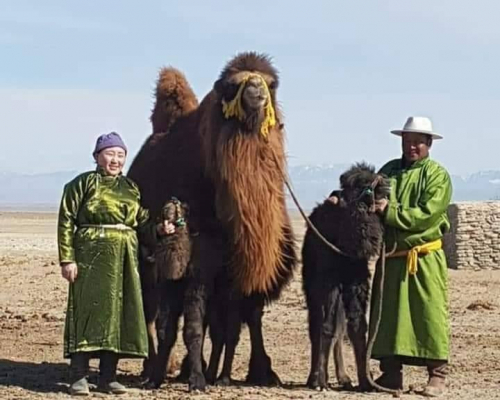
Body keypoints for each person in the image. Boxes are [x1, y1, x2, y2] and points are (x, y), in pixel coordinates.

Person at [58, 132, 175, 396]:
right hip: (90, 257)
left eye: (120, 155)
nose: (115, 160)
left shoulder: (130, 188)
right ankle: (78, 375)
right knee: (88, 313)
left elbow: (142, 222)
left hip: (124, 258)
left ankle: (108, 376)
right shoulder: (81, 184)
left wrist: (160, 228)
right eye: (110, 153)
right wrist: (67, 259)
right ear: (97, 156)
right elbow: (66, 220)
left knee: (118, 315)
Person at [370, 116, 453, 397]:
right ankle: (391, 374)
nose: (412, 146)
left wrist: (390, 212)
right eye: (408, 141)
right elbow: (368, 192)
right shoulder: (389, 171)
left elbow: (427, 214)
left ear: (429, 144)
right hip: (391, 257)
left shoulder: (437, 176)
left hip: (423, 258)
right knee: (388, 316)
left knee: (428, 313)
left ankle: (437, 376)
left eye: (418, 141)